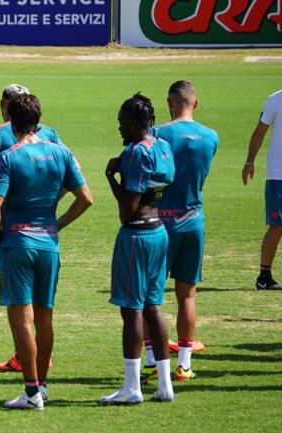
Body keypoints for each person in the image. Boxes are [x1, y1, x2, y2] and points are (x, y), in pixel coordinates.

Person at [0, 94, 93, 409]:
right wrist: (56, 225)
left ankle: (31, 393)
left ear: (12, 123)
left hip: (18, 243)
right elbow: (85, 198)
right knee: (45, 318)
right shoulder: (61, 153)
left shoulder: (10, 156)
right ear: (38, 119)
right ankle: (42, 387)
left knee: (21, 318)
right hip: (48, 244)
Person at [0, 84, 63, 373]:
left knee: (19, 303)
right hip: (46, 230)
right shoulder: (48, 134)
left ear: (5, 106)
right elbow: (72, 175)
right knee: (43, 306)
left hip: (14, 230)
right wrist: (53, 205)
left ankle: (25, 363)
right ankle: (42, 361)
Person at [140, 81, 218, 385]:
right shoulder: (211, 137)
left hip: (162, 221)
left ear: (170, 102)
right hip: (194, 218)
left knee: (150, 295)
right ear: (195, 104)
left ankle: (151, 362)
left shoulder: (158, 133)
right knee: (187, 295)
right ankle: (184, 365)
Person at [101, 93, 175, 404]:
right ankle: (165, 384)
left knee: (131, 310)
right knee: (153, 306)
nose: (119, 127)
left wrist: (110, 177)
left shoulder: (134, 153)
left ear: (133, 123)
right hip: (159, 230)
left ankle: (132, 388)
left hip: (136, 236)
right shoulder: (163, 146)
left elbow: (128, 209)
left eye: (121, 122)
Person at [242, 89, 282, 290]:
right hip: (279, 175)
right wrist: (249, 161)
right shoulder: (275, 100)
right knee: (277, 226)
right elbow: (260, 131)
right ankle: (264, 276)